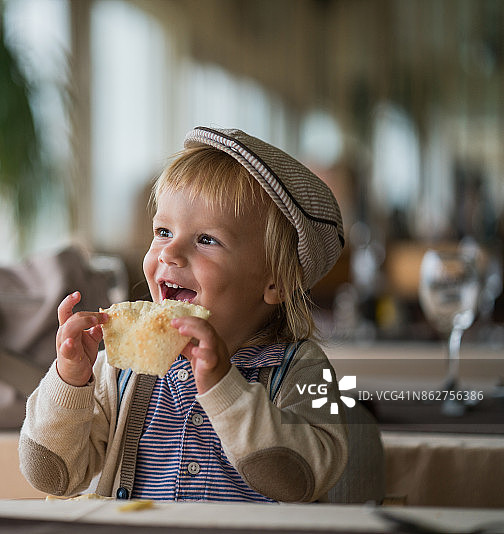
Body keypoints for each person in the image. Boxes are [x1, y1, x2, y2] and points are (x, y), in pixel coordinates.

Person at [19, 127, 348, 503]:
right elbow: (50, 473)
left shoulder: (302, 369)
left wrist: (223, 387)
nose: (169, 253)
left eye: (206, 240)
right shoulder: (118, 370)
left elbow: (301, 481)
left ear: (275, 282)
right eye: (163, 231)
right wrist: (69, 381)